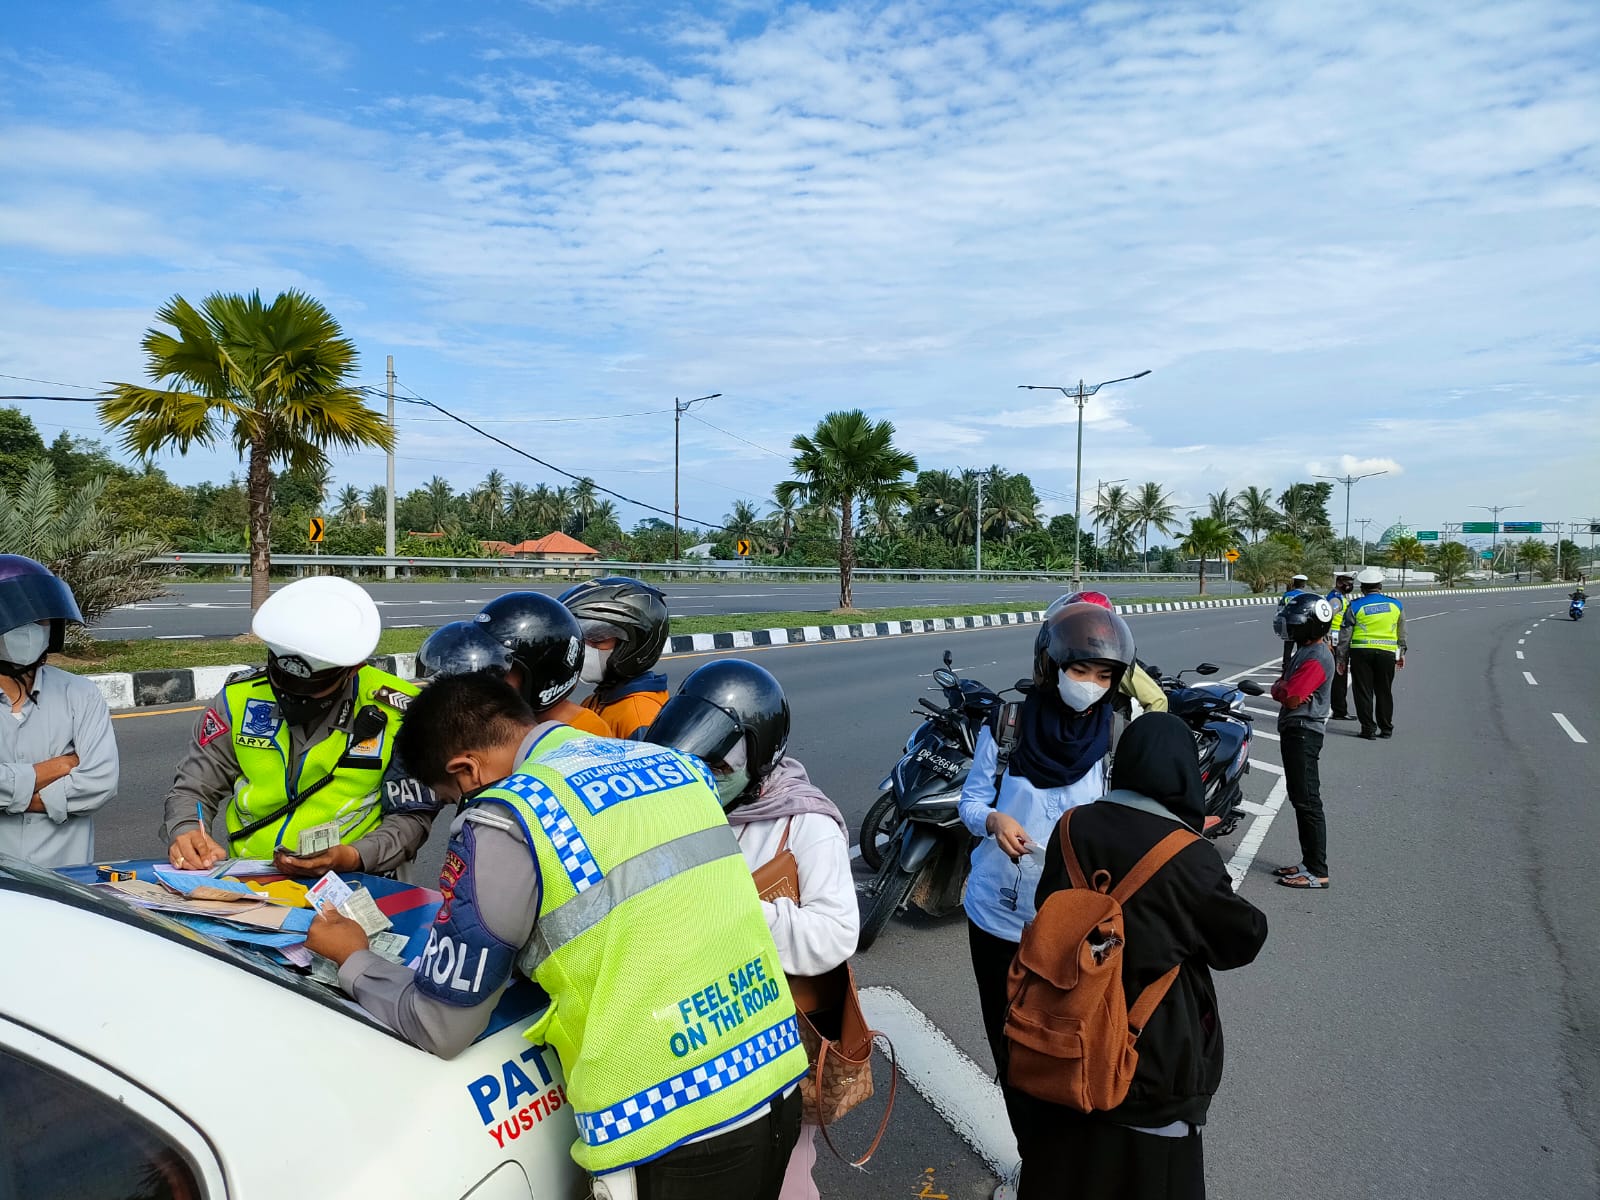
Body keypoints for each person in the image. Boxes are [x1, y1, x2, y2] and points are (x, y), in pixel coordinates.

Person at [306, 671, 806, 1199]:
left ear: (466, 770)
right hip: (773, 1071)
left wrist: (354, 958)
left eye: (454, 796)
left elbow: (441, 1024)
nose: (463, 805)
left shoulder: (507, 816)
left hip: (670, 1126)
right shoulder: (672, 765)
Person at [1022, 714, 1268, 1200]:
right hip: (1147, 1055)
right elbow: (1242, 939)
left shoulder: (1073, 826)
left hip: (1062, 1032)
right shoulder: (1188, 855)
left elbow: (1048, 905)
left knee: (1063, 1167)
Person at [647, 660, 858, 1200]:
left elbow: (837, 933)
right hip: (692, 1031)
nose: (702, 778)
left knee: (783, 1171)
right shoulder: (679, 806)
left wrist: (736, 909)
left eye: (718, 767)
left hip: (773, 1040)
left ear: (760, 759)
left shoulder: (805, 823)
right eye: (692, 762)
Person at [959, 602, 1135, 1182]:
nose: (1091, 685)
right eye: (1080, 670)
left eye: (1104, 675)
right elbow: (971, 801)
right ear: (1051, 666)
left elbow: (1123, 816)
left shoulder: (1114, 730)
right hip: (998, 915)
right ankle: (1034, 1157)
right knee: (1010, 1045)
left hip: (1070, 925)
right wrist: (993, 820)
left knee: (1067, 1042)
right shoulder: (1007, 723)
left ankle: (1069, 1154)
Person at [162, 576, 437, 877]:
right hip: (252, 880)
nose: (292, 695)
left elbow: (412, 818)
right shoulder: (237, 699)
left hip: (359, 879)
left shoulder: (402, 712)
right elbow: (194, 786)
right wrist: (187, 829)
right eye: (282, 679)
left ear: (352, 670)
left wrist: (351, 857)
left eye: (310, 686)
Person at [0, 555, 118, 868]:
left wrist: (11, 796)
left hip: (65, 879)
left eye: (39, 620)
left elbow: (100, 783)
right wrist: (61, 765)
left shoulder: (80, 693)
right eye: (16, 620)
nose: (29, 631)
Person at [475, 592, 612, 737]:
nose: (489, 676)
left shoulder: (587, 732)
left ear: (542, 674)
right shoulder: (496, 718)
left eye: (501, 668)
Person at [1270, 593, 1335, 890]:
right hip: (1295, 729)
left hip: (1304, 732)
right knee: (1300, 799)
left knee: (1308, 801)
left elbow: (1293, 697)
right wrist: (1284, 687)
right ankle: (1308, 862)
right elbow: (1286, 690)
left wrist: (1282, 689)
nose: (1290, 629)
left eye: (1295, 624)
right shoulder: (1305, 651)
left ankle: (1317, 871)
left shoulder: (1318, 656)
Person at [561, 576, 672, 739]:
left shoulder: (638, 717)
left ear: (635, 645)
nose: (585, 646)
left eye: (598, 638)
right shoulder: (599, 700)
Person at [1044, 592, 1166, 714]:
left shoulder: (1113, 660)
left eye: (1103, 676)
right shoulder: (1067, 650)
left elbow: (1157, 700)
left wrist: (1144, 727)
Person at [1336, 567, 1407, 741]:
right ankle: (1386, 729)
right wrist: (1401, 653)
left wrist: (1341, 658)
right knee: (1384, 691)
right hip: (1387, 653)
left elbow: (1345, 635)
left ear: (1362, 588)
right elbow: (1401, 632)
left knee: (1363, 691)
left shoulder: (1355, 606)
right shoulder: (1396, 605)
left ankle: (1368, 729)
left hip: (1361, 653)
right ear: (1380, 586)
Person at [1325, 572, 1356, 721]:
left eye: (1351, 582)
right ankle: (1339, 710)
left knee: (1338, 676)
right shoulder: (1336, 599)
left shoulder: (1340, 597)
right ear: (1339, 582)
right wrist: (1328, 640)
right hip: (1336, 643)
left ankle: (1339, 709)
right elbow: (1327, 617)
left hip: (1339, 642)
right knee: (1339, 676)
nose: (1350, 585)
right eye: (1347, 582)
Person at [1274, 574, 1311, 675]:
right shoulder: (1304, 596)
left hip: (1288, 624)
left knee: (1288, 646)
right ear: (1303, 585)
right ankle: (1299, 665)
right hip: (1300, 625)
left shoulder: (1286, 595)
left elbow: (1280, 609)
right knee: (1300, 646)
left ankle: (1286, 666)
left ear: (1294, 583)